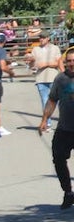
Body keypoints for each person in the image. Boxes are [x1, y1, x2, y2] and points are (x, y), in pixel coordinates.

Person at [39, 51, 74, 208]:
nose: (72, 64)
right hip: (65, 128)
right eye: (69, 61)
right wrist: (45, 119)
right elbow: (52, 100)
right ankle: (68, 192)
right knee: (58, 158)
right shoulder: (60, 79)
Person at [28, 31, 63, 131]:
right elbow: (32, 65)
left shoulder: (55, 48)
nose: (41, 39)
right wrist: (30, 62)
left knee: (59, 101)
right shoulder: (35, 49)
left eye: (43, 37)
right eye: (40, 37)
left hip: (53, 77)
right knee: (45, 101)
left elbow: (58, 62)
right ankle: (47, 123)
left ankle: (63, 122)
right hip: (40, 78)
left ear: (48, 38)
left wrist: (47, 64)